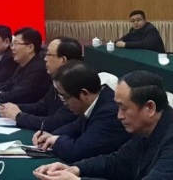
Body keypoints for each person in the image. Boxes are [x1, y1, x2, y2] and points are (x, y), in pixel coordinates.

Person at [34, 70, 173, 180]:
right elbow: (116, 162)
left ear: (150, 108)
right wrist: (74, 169)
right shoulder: (145, 130)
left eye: (124, 108)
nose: (119, 116)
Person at [32, 60, 131, 163]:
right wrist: (51, 135)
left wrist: (57, 141)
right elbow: (75, 127)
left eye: (65, 98)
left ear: (84, 94)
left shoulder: (109, 112)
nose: (65, 103)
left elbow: (79, 152)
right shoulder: (97, 100)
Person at [0, 37, 82, 131]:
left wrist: (19, 116)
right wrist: (14, 107)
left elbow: (55, 123)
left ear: (63, 60)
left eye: (49, 55)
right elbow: (42, 107)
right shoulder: (58, 79)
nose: (45, 59)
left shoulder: (76, 84)